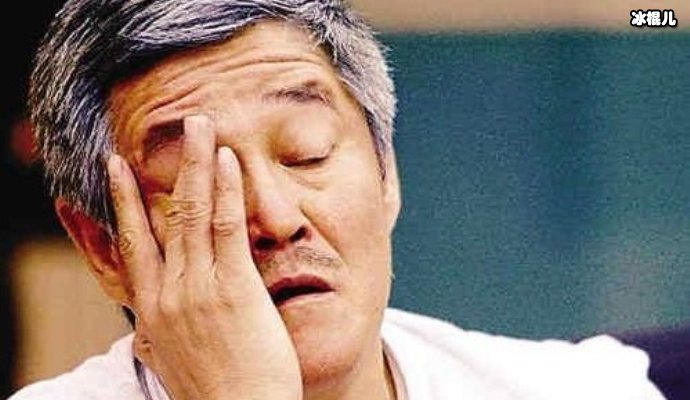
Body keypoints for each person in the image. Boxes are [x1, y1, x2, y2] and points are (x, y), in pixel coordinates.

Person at [10, 1, 665, 399]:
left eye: (307, 152)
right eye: (200, 182)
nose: (276, 218)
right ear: (104, 248)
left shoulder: (579, 390)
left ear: (387, 174)